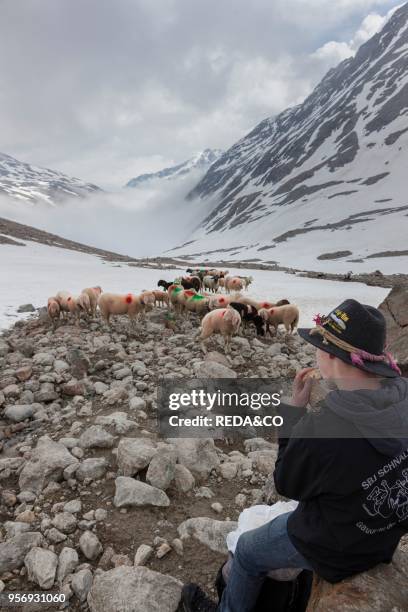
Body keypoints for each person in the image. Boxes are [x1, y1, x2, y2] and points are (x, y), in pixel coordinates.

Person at [181, 299, 408, 612]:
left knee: (247, 550)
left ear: (330, 355)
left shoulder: (328, 425)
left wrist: (293, 413)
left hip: (339, 546)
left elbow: (285, 482)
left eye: (317, 345)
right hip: (384, 539)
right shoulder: (403, 397)